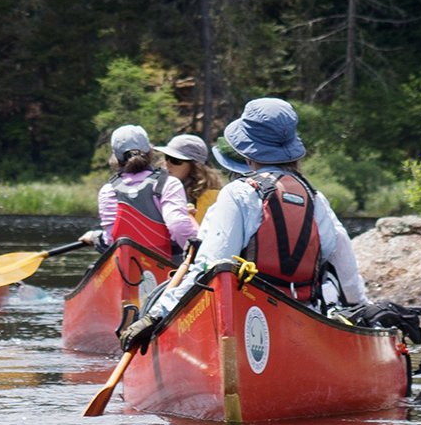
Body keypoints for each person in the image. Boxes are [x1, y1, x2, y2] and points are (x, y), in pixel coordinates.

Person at [132, 97, 365, 336]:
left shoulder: (238, 193)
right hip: (304, 319)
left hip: (248, 320)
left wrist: (158, 312)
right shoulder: (315, 197)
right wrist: (360, 309)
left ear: (246, 152)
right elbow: (343, 263)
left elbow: (209, 265)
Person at [97, 125, 199, 256]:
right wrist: (197, 254)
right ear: (150, 151)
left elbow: (110, 238)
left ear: (115, 157)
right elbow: (178, 225)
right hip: (163, 262)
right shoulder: (169, 183)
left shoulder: (108, 190)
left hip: (123, 263)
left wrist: (96, 239)